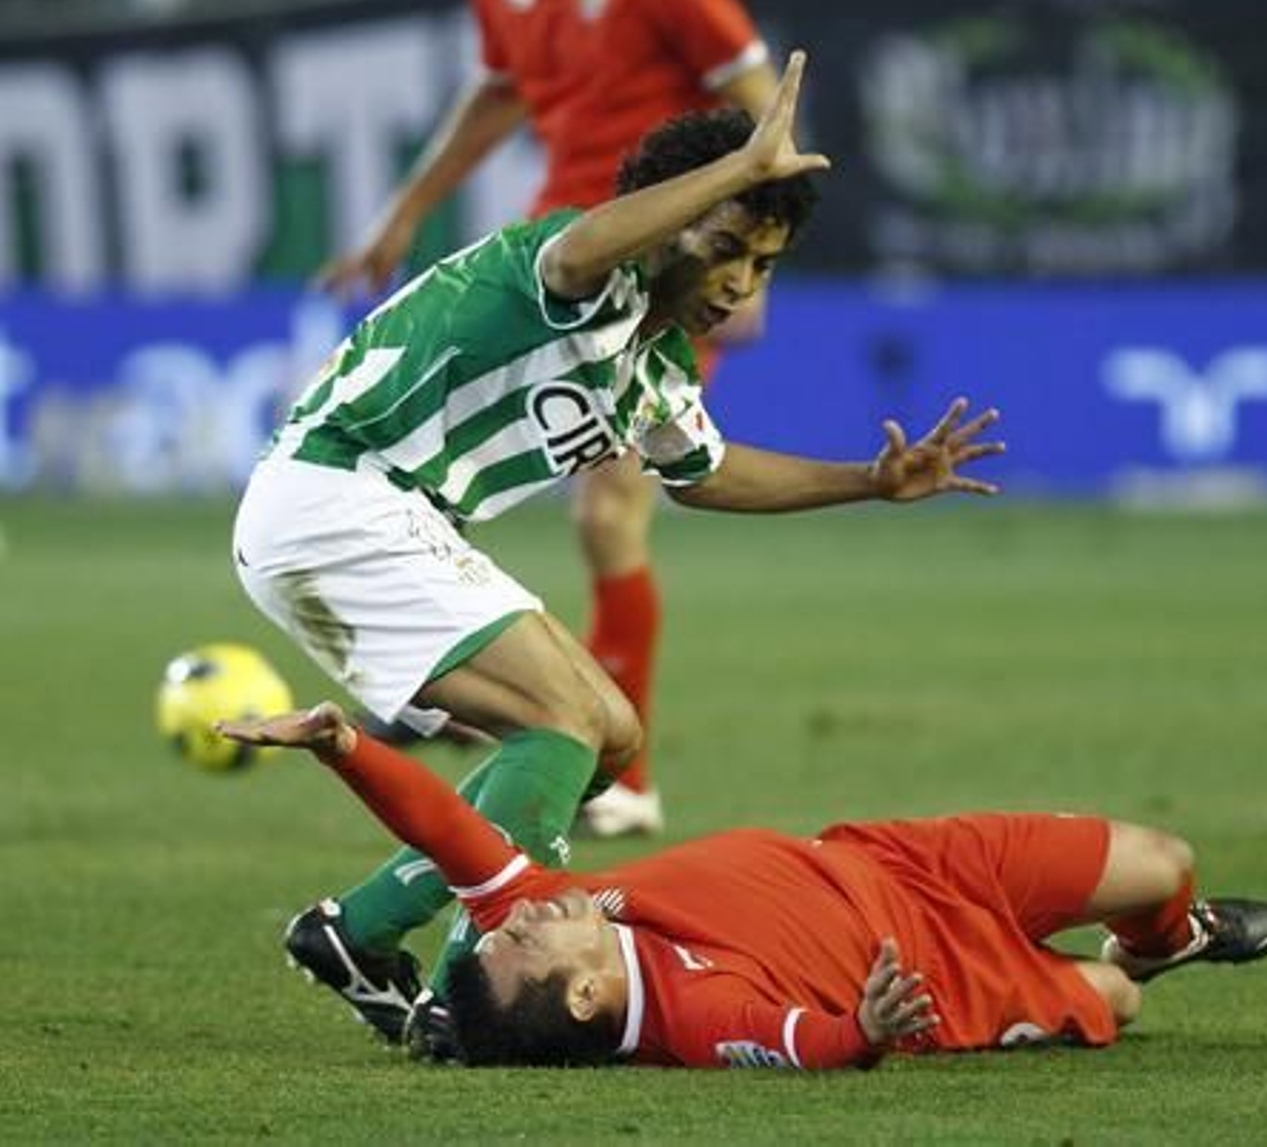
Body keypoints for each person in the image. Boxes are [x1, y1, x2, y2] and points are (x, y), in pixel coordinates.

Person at [235, 52, 1004, 1045]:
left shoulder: (655, 359)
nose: (740, 282)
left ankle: (376, 934)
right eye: (729, 245)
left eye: (764, 263)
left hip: (383, 519)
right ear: (673, 211)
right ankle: (419, 956)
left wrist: (868, 480)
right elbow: (587, 243)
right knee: (559, 722)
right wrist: (736, 170)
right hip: (336, 500)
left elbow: (706, 471)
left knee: (610, 733)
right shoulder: (566, 268)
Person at [318, 0, 786, 838]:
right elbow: (500, 92)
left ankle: (623, 777)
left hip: (669, 253)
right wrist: (405, 213)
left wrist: (751, 251)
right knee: (432, 452)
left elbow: (762, 97)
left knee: (611, 508)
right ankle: (452, 692)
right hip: (563, 245)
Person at [221, 702, 1267, 1069]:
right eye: (522, 943)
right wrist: (871, 1027)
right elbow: (800, 1047)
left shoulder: (563, 910)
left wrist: (338, 744)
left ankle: (1163, 932)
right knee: (1114, 1002)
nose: (518, 915)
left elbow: (446, 827)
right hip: (937, 976)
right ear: (587, 997)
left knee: (1162, 863)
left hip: (899, 859)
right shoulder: (691, 1014)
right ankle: (1128, 970)